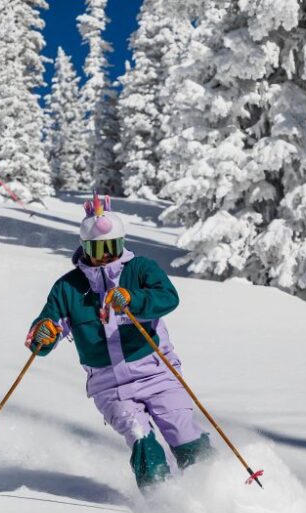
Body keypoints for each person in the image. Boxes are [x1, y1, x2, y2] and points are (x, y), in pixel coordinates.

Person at [25, 192, 215, 490]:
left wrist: (133, 299)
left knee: (181, 429)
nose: (103, 256)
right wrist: (43, 334)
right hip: (109, 384)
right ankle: (164, 501)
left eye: (110, 247)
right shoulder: (68, 288)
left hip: (156, 371)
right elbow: (48, 329)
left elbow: (168, 297)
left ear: (121, 244)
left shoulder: (140, 269)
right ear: (84, 247)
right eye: (96, 249)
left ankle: (214, 486)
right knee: (140, 436)